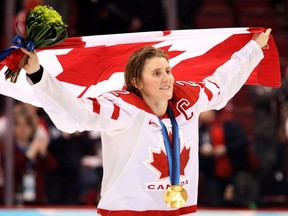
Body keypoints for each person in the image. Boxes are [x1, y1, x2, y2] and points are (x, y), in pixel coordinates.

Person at [19, 28, 271, 215]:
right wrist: (38, 74)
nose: (167, 78)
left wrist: (254, 48)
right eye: (157, 73)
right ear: (137, 82)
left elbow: (223, 82)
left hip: (179, 212)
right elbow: (75, 113)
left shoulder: (188, 101)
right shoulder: (122, 108)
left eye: (168, 70)